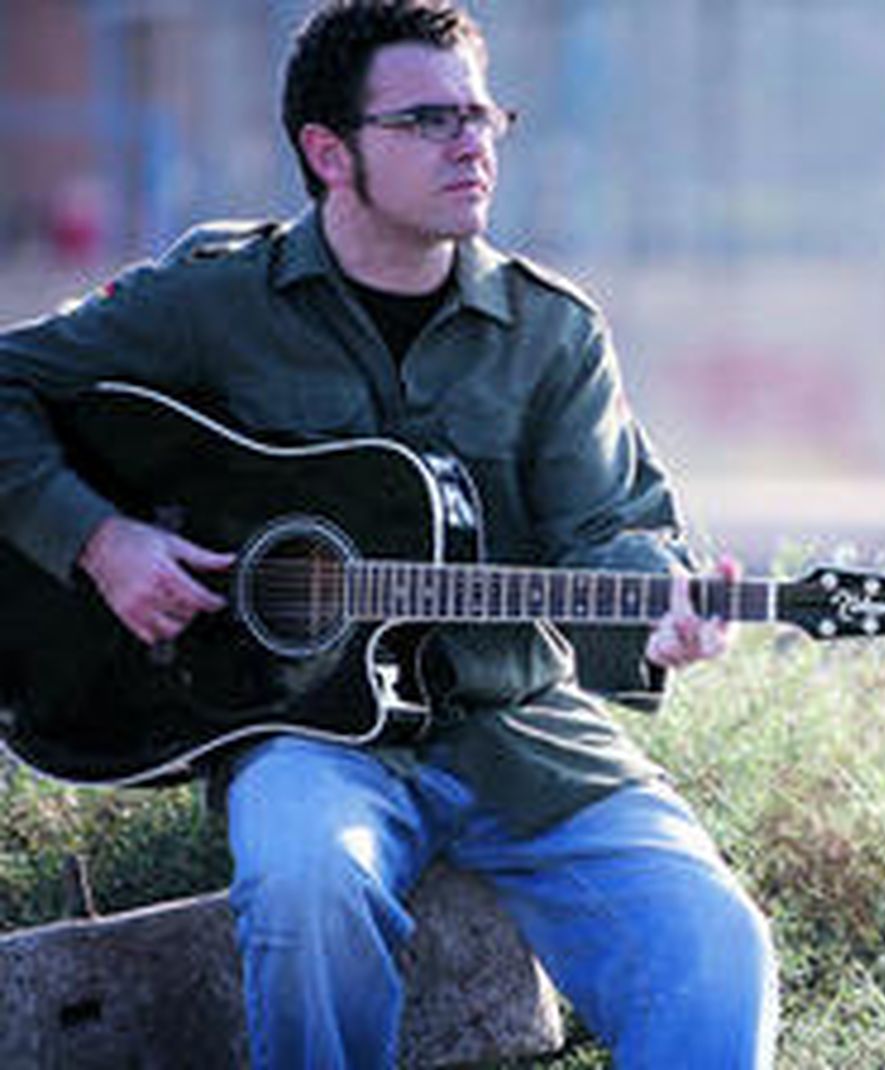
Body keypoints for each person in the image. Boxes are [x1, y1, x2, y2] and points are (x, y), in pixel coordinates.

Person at [0, 2, 778, 1066]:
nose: (472, 143)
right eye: (427, 120)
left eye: (483, 114)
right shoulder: (216, 301)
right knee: (307, 883)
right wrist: (98, 539)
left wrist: (658, 611)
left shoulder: (552, 332)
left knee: (715, 939)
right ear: (331, 152)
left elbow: (610, 529)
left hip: (520, 730)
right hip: (307, 736)